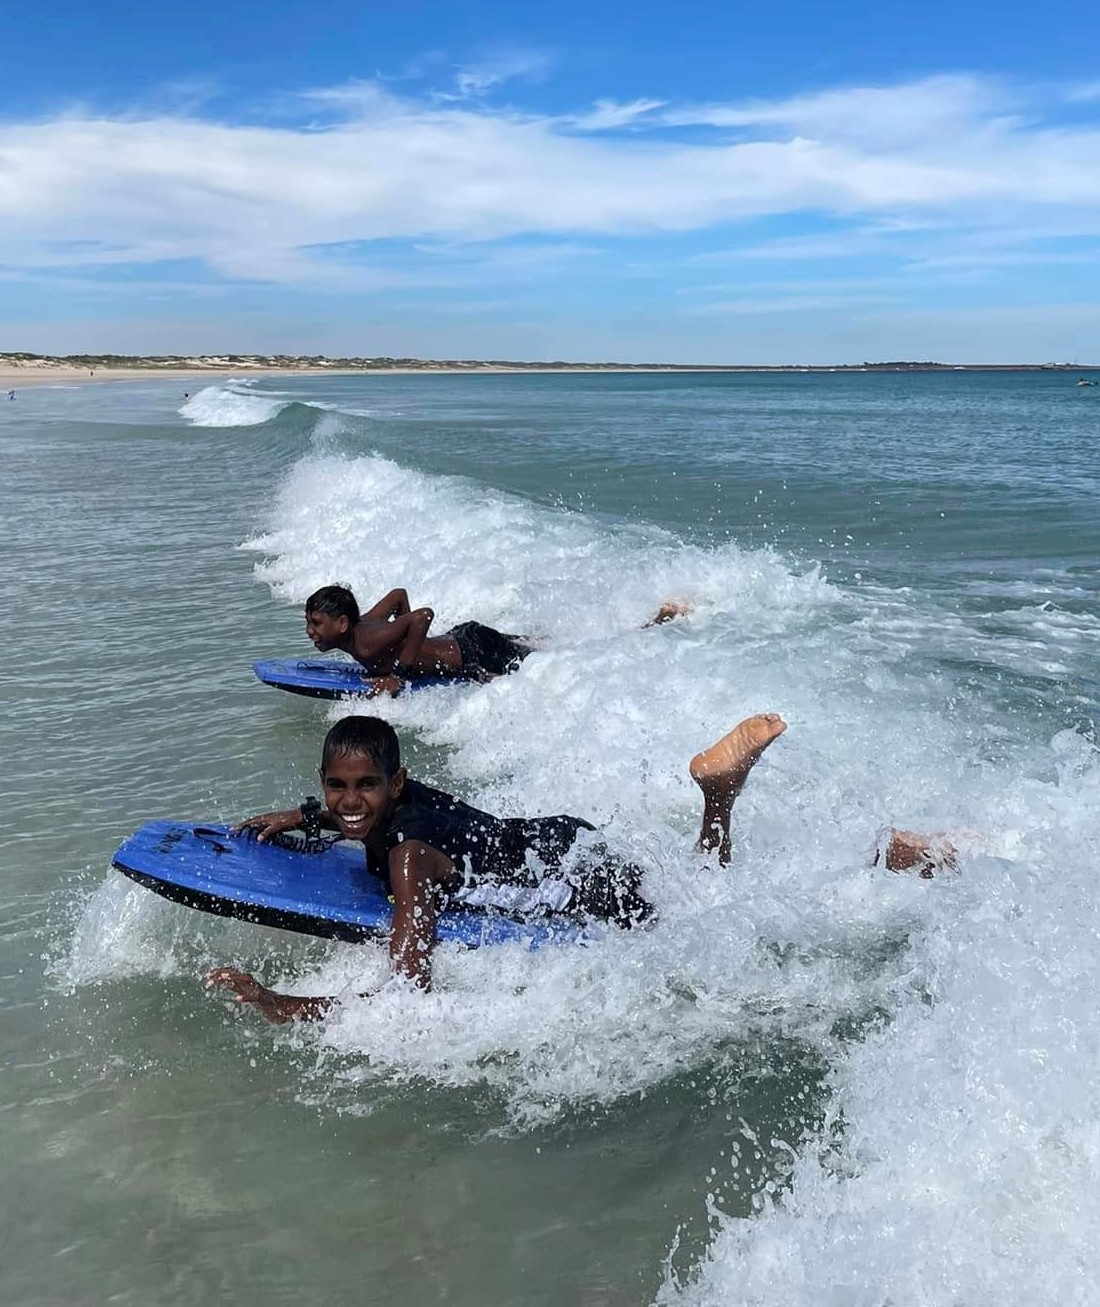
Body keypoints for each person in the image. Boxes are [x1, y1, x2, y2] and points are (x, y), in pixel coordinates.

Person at [205, 711, 789, 1022]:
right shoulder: (390, 807)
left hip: (573, 873)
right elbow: (363, 815)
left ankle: (721, 800)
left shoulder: (409, 858)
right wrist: (306, 817)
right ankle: (720, 796)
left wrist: (281, 1003)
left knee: (692, 919)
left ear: (396, 783)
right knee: (691, 895)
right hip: (550, 840)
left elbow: (409, 993)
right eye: (335, 787)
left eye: (364, 786)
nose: (348, 801)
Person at [303, 585, 694, 692]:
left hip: (475, 649)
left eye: (316, 623)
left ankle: (654, 627)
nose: (310, 631)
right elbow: (398, 596)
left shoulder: (368, 642)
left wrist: (401, 674)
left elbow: (420, 616)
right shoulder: (364, 625)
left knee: (566, 656)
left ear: (341, 624)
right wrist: (415, 650)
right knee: (545, 645)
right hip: (465, 637)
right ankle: (645, 622)